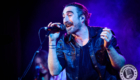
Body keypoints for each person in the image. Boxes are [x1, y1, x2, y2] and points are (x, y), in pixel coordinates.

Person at [48, 2, 126, 80]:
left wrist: (109, 47)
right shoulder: (63, 41)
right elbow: (54, 71)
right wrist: (52, 41)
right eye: (64, 16)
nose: (65, 20)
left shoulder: (102, 35)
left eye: (69, 15)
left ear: (82, 18)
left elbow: (121, 66)